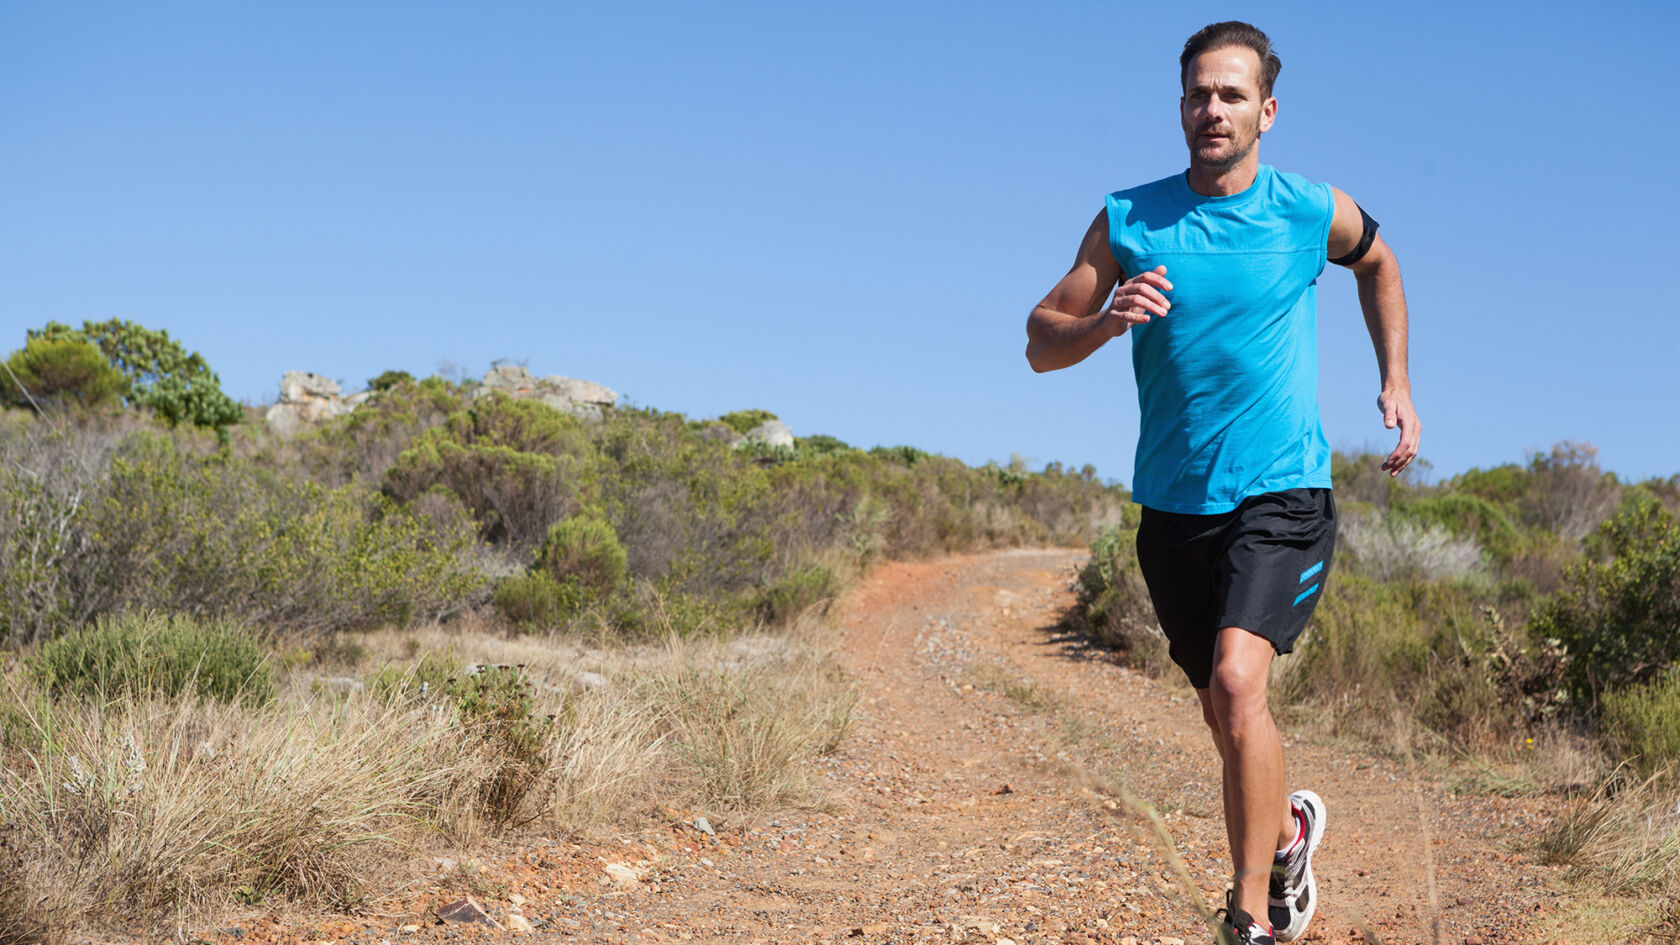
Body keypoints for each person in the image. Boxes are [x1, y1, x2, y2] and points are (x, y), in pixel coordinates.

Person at [1024, 20, 1419, 945]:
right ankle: (1286, 835)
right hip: (1173, 503)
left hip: (1284, 491)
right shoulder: (1129, 219)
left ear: (1266, 111)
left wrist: (1396, 377)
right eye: (1199, 93)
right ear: (1180, 107)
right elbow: (1040, 340)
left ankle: (1249, 915)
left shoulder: (1307, 209)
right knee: (1222, 707)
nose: (1214, 109)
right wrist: (1105, 321)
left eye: (1232, 95)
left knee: (1240, 684)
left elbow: (1379, 261)